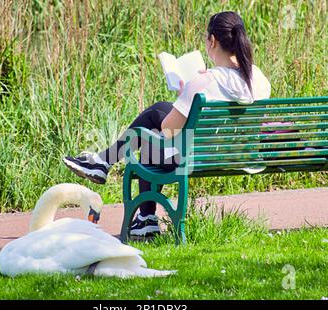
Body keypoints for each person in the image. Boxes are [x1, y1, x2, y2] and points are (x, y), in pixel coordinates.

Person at [63, 11, 271, 238]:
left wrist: (185, 93)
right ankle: (117, 181)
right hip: (235, 155)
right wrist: (186, 99)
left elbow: (169, 129)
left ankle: (119, 182)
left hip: (192, 157)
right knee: (156, 122)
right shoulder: (258, 78)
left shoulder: (205, 80)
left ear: (212, 41)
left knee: (152, 129)